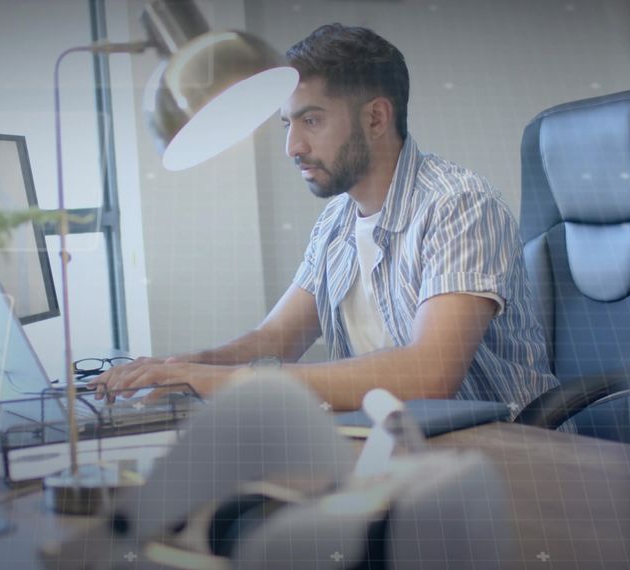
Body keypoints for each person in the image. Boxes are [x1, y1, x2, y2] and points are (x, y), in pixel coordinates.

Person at [92, 24, 558, 417]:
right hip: (398, 450)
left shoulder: (460, 206)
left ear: (376, 117)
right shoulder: (337, 220)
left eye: (311, 121)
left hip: (508, 459)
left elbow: (429, 373)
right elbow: (276, 339)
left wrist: (222, 383)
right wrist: (183, 367)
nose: (293, 147)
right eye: (287, 124)